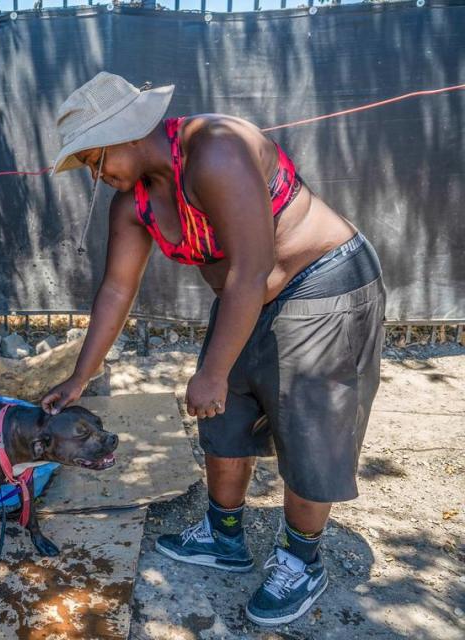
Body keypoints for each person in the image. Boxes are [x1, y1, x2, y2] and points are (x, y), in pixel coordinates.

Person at [40, 72, 386, 626]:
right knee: (222, 417)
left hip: (321, 282)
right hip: (247, 296)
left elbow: (253, 267)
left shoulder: (215, 151)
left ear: (127, 132)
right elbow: (116, 288)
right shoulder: (134, 204)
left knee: (306, 424)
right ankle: (224, 537)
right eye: (87, 166)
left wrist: (214, 369)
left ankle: (301, 560)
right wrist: (81, 376)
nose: (96, 175)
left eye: (94, 158)